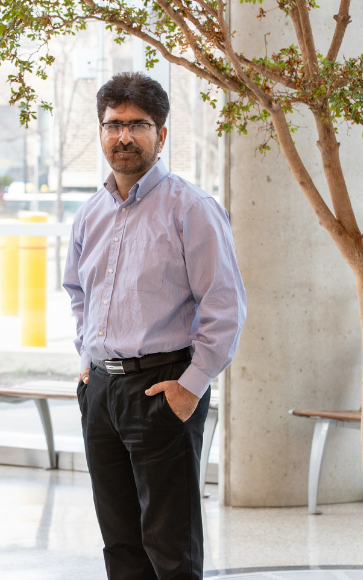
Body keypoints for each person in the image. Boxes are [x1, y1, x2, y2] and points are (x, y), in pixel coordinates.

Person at [63, 72, 246, 580]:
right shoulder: (89, 215)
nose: (124, 137)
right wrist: (86, 361)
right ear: (100, 132)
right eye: (113, 124)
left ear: (161, 135)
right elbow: (78, 294)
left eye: (138, 125)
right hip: (101, 391)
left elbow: (225, 305)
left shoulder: (193, 209)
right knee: (120, 542)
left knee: (171, 547)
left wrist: (191, 387)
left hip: (163, 386)